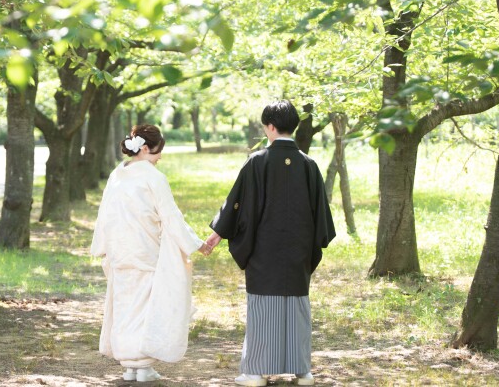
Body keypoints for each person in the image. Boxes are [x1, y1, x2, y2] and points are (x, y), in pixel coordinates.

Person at [205, 100, 336, 387]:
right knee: (297, 307)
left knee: (264, 308)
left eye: (265, 126)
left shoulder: (257, 162)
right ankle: (303, 372)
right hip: (299, 250)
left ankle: (256, 373)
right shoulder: (309, 164)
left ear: (271, 127)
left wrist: (219, 232)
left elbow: (237, 206)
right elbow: (321, 215)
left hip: (264, 251)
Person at [91, 124, 212, 382]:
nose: (160, 157)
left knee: (125, 306)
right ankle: (142, 365)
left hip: (120, 251)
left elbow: (104, 214)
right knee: (147, 308)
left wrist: (102, 247)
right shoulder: (154, 178)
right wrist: (197, 244)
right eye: (158, 152)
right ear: (145, 149)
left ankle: (130, 366)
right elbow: (171, 217)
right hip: (146, 250)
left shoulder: (116, 175)